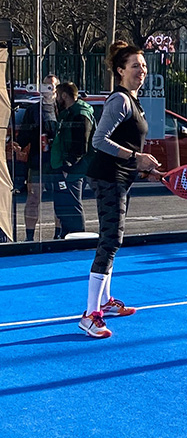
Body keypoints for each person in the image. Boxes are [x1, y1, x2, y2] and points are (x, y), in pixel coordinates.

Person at [79, 42, 161, 339]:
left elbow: (125, 144)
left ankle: (105, 301)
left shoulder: (134, 102)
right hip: (107, 177)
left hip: (120, 176)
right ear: (120, 70)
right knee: (111, 240)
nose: (142, 70)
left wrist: (143, 168)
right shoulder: (120, 100)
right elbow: (99, 140)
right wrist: (136, 157)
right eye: (135, 66)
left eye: (144, 65)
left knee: (112, 240)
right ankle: (90, 315)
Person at [12, 74, 59, 241]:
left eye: (50, 86)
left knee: (60, 198)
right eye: (44, 86)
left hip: (58, 160)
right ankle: (30, 236)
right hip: (37, 160)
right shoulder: (33, 110)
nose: (47, 90)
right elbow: (25, 133)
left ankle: (59, 234)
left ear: (56, 89)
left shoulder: (62, 108)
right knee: (33, 198)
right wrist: (18, 144)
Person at [49, 82, 96, 238]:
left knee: (72, 204)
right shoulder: (68, 112)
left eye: (57, 95)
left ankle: (77, 237)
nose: (55, 99)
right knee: (63, 203)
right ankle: (66, 234)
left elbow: (81, 144)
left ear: (64, 95)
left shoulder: (80, 114)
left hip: (75, 169)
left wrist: (68, 166)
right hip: (65, 166)